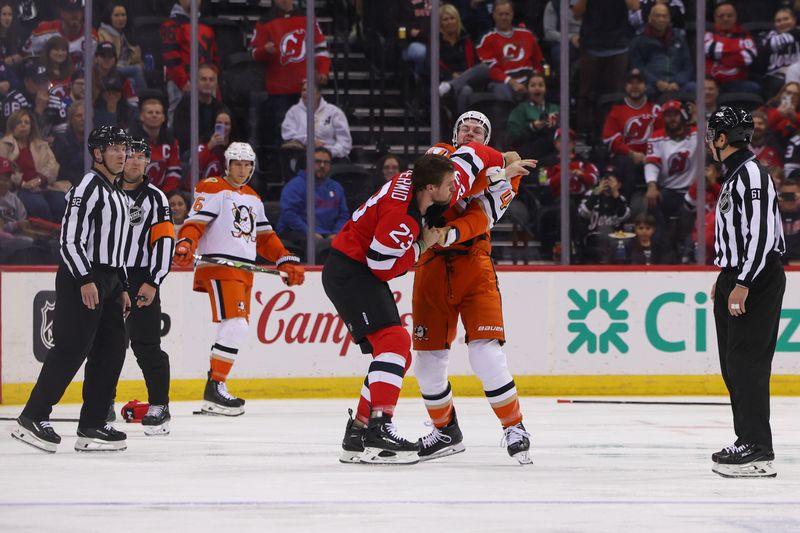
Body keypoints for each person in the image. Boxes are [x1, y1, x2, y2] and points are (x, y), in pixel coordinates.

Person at [409, 112, 538, 465]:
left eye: (478, 130)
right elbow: (445, 195)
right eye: (465, 127)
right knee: (426, 362)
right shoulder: (438, 154)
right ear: (454, 134)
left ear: (487, 141)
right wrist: (499, 173)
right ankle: (445, 431)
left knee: (486, 353)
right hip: (432, 265)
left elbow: (484, 215)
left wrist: (451, 231)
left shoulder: (509, 177)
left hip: (474, 263)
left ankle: (515, 426)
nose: (470, 132)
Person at [10, 125, 132, 453]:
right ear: (97, 153)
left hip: (107, 280)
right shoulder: (88, 187)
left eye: (124, 147)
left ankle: (92, 424)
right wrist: (84, 278)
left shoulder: (118, 193)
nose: (122, 153)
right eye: (114, 148)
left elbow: (117, 247)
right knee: (71, 349)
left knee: (112, 350)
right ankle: (33, 417)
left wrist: (120, 285)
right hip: (83, 277)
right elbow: (69, 239)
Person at [325, 155, 454, 465]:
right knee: (395, 343)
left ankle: (357, 432)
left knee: (396, 350)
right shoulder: (403, 219)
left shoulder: (411, 181)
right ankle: (378, 430)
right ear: (430, 187)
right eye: (449, 186)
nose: (453, 191)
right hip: (352, 272)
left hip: (353, 269)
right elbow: (381, 267)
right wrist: (422, 245)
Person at [173, 142, 304, 416]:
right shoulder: (212, 187)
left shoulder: (254, 198)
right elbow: (195, 222)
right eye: (237, 164)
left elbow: (265, 237)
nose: (242, 169)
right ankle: (215, 388)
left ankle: (215, 389)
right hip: (221, 266)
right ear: (227, 164)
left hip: (244, 270)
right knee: (236, 325)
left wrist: (283, 258)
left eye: (247, 165)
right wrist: (186, 243)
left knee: (237, 325)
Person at [707, 106, 786, 478]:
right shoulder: (737, 173)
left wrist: (743, 282)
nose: (710, 142)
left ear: (723, 138)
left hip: (754, 277)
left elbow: (761, 235)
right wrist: (726, 275)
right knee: (733, 363)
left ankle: (757, 446)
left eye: (713, 135)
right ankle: (748, 440)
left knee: (747, 363)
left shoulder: (751, 174)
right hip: (737, 274)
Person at [119, 137, 175, 435]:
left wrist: (154, 281)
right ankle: (101, 404)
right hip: (110, 276)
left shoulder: (156, 198)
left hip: (142, 277)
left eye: (141, 156)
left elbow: (165, 242)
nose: (136, 161)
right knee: (105, 344)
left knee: (146, 345)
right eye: (130, 155)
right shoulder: (105, 191)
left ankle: (159, 406)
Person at [249, 0, 331, 145]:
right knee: (284, 135)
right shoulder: (265, 21)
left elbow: (320, 48)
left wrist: (323, 70)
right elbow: (253, 52)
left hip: (305, 89)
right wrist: (264, 51)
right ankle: (285, 165)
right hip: (279, 91)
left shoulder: (308, 17)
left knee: (311, 130)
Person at [573, 0, 640, 136]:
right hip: (592, 44)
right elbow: (576, 13)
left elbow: (635, 6)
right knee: (587, 94)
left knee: (614, 95)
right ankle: (584, 135)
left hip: (618, 45)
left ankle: (612, 133)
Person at [276, 147, 350, 264]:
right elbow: (289, 214)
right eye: (317, 161)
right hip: (299, 232)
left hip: (329, 233)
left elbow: (343, 215)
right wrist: (310, 233)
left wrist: (336, 233)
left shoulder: (336, 187)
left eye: (326, 162)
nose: (322, 165)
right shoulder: (295, 185)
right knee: (316, 246)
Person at [643, 99, 698, 256]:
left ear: (682, 115)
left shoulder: (697, 133)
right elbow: (652, 162)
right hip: (668, 190)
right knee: (652, 202)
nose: (672, 119)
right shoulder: (656, 137)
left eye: (675, 114)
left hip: (692, 191)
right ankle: (662, 247)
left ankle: (687, 247)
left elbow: (717, 138)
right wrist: (651, 185)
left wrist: (698, 118)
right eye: (668, 115)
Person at [602, 68, 661, 201]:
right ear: (625, 86)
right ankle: (624, 206)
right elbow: (610, 139)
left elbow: (662, 135)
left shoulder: (655, 109)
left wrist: (651, 155)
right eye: (631, 83)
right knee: (623, 163)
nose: (635, 87)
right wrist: (631, 153)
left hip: (652, 155)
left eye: (638, 83)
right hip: (627, 158)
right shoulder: (616, 110)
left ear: (645, 86)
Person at [0, 108, 64, 223]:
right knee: (39, 206)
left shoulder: (40, 145)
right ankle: (47, 236)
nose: (23, 125)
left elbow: (53, 166)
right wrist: (22, 183)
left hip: (42, 186)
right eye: (19, 122)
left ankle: (64, 235)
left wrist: (39, 180)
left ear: (31, 126)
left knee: (62, 202)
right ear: (12, 125)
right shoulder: (4, 145)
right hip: (19, 189)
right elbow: (3, 170)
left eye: (26, 122)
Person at [160, 0, 218, 126]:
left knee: (207, 119)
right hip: (181, 83)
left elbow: (214, 57)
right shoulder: (172, 24)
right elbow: (170, 56)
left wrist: (213, 79)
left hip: (206, 81)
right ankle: (175, 145)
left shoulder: (207, 26)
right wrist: (183, 82)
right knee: (177, 119)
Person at [476, 0, 543, 103]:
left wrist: (533, 82)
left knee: (541, 85)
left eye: (507, 14)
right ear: (493, 15)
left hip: (529, 80)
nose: (503, 17)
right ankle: (509, 118)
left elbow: (538, 62)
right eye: (500, 14)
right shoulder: (486, 38)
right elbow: (491, 69)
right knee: (500, 88)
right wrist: (512, 82)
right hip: (504, 82)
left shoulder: (527, 35)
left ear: (512, 15)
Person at [629, 3, 695, 99]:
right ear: (650, 18)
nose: (661, 19)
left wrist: (677, 82)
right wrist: (656, 82)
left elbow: (687, 65)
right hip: (652, 85)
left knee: (694, 88)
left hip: (677, 85)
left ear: (669, 20)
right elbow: (638, 66)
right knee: (643, 89)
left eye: (664, 16)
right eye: (657, 16)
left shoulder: (679, 38)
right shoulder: (639, 41)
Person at [281, 80, 353, 161]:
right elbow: (288, 135)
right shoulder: (293, 112)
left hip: (331, 157)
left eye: (309, 90)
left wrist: (328, 153)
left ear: (318, 94)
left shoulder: (334, 112)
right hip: (303, 155)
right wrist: (309, 141)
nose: (305, 93)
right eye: (303, 90)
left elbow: (345, 143)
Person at [1, 57, 67, 139]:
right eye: (38, 82)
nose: (42, 86)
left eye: (45, 82)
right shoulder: (14, 101)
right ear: (26, 82)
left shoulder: (56, 101)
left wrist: (54, 141)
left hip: (47, 149)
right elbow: (14, 135)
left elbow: (62, 134)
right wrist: (38, 110)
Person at [21, 0, 98, 69]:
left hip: (78, 80)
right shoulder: (44, 30)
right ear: (62, 13)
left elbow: (93, 64)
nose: (74, 15)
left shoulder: (91, 35)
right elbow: (26, 55)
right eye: (70, 11)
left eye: (78, 11)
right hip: (48, 79)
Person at [127, 97, 182, 193]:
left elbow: (174, 174)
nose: (154, 115)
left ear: (163, 117)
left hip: (164, 195)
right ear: (141, 116)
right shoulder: (131, 141)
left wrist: (162, 196)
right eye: (150, 112)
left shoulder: (171, 142)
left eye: (158, 113)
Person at [578, 167, 631, 263]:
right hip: (593, 237)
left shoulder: (621, 199)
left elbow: (624, 216)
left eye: (611, 180)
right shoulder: (591, 194)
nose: (607, 182)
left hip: (614, 239)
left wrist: (615, 194)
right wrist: (596, 192)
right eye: (605, 179)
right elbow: (583, 212)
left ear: (619, 185)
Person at [704, 1, 759, 94]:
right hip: (711, 83)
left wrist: (721, 54)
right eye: (721, 16)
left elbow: (749, 57)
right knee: (691, 88)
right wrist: (737, 50)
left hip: (737, 83)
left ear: (735, 17)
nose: (726, 19)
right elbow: (710, 50)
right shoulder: (708, 33)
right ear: (715, 18)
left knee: (754, 88)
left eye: (729, 16)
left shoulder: (744, 34)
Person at [507, 72, 560, 159]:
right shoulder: (520, 110)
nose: (537, 88)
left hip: (554, 154)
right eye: (533, 85)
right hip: (530, 151)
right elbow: (513, 136)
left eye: (540, 85)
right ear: (527, 89)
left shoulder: (555, 108)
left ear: (545, 88)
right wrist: (532, 127)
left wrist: (557, 123)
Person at [173, 64, 222, 156]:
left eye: (211, 80)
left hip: (215, 151)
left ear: (216, 84)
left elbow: (221, 135)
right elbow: (185, 138)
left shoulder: (219, 107)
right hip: (190, 153)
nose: (207, 83)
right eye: (203, 79)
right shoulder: (184, 106)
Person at [98, 1, 145, 91]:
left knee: (132, 81)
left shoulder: (128, 34)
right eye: (116, 15)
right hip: (110, 70)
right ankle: (145, 99)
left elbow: (138, 61)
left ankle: (134, 104)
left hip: (126, 69)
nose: (121, 19)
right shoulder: (102, 34)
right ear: (109, 17)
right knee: (136, 70)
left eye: (123, 15)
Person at [52, 100, 84, 185]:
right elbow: (62, 170)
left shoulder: (95, 139)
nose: (83, 119)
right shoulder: (61, 140)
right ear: (71, 120)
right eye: (79, 116)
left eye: (86, 115)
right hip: (68, 185)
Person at [197, 108, 232, 180]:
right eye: (219, 123)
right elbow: (196, 168)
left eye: (227, 124)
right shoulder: (203, 145)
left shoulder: (235, 148)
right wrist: (209, 146)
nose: (223, 127)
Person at [778, 178, 800, 263]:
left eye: (793, 196)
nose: (789, 200)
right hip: (776, 264)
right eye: (786, 196)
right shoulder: (771, 215)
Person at [0, 1, 24, 68]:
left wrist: (19, 58)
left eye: (10, 15)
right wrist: (4, 61)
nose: (7, 18)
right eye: (4, 14)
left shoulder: (15, 35)